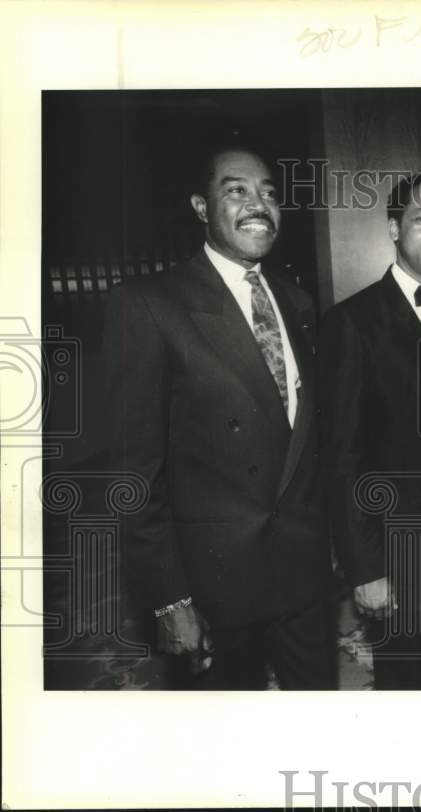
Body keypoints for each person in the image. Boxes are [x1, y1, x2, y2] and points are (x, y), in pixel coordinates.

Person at [103, 145, 336, 689]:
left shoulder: (298, 303)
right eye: (237, 191)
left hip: (302, 575)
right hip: (213, 584)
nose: (259, 205)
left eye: (270, 194)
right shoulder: (149, 305)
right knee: (223, 744)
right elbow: (132, 475)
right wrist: (169, 600)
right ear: (201, 207)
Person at [318, 171, 421, 690]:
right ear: (394, 229)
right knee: (407, 690)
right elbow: (340, 456)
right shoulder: (351, 322)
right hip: (398, 549)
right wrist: (365, 568)